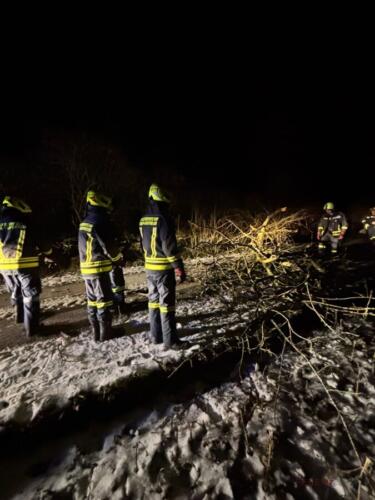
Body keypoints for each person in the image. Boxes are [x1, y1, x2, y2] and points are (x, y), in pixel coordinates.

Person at [139, 184, 186, 350]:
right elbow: (169, 247)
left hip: (149, 267)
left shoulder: (143, 218)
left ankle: (156, 336)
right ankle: (170, 341)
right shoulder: (164, 218)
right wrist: (178, 267)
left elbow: (141, 244)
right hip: (163, 269)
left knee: (153, 302)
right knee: (167, 305)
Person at [0, 196, 51, 337]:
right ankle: (33, 329)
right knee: (30, 296)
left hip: (5, 267)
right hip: (24, 265)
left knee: (16, 292)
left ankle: (20, 317)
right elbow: (42, 242)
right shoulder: (24, 222)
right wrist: (51, 253)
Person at [78, 190, 123, 341]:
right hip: (98, 268)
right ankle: (106, 334)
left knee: (92, 301)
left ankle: (96, 333)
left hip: (87, 268)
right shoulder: (100, 221)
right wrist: (118, 258)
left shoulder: (86, 221)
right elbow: (108, 246)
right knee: (104, 301)